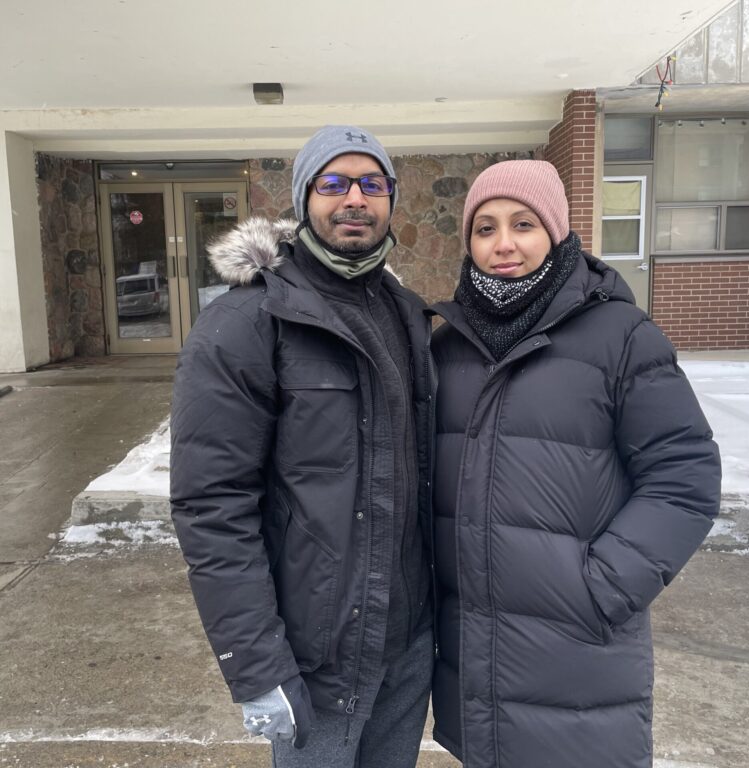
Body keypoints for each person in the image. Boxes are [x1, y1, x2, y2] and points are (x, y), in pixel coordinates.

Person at [429, 160, 721, 768]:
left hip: (579, 653)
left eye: (523, 224)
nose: (503, 244)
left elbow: (683, 475)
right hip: (474, 660)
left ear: (557, 232)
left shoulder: (621, 336)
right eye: (485, 228)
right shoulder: (447, 346)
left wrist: (604, 585)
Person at [170, 125, 435, 768]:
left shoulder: (405, 313)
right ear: (304, 198)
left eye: (372, 184)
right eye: (334, 182)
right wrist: (256, 665)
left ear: (391, 199)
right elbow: (213, 506)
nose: (355, 198)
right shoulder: (247, 321)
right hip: (318, 664)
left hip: (405, 651)